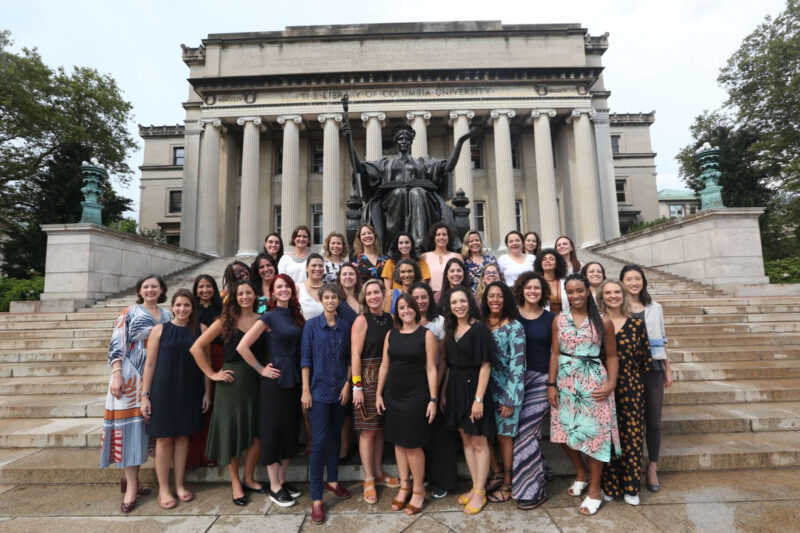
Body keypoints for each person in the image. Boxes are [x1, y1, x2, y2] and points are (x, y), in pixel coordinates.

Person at [342, 122, 475, 255]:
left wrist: (459, 143)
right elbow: (360, 168)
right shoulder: (386, 164)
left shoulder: (422, 163)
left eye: (407, 139)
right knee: (399, 193)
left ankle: (419, 247)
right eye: (400, 139)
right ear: (395, 142)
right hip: (392, 200)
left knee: (417, 192)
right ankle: (395, 246)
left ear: (411, 142)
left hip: (422, 200)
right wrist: (349, 143)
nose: (404, 141)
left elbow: (447, 168)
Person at [548, 274, 620, 516]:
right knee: (562, 432)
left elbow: (611, 355)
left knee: (594, 437)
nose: (575, 295)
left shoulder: (603, 320)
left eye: (579, 290)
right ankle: (581, 472)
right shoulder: (560, 319)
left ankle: (595, 490)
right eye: (570, 291)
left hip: (593, 383)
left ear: (588, 290)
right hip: (566, 382)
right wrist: (551, 384)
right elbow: (555, 353)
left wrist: (611, 383)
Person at [190, 279, 266, 507]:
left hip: (256, 380)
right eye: (240, 293)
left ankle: (249, 477)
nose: (244, 296)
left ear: (255, 295)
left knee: (257, 433)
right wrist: (212, 373)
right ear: (233, 297)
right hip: (231, 383)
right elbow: (196, 347)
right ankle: (235, 482)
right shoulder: (225, 321)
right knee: (231, 433)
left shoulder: (263, 320)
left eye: (248, 292)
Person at [100, 274, 171, 513]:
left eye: (154, 286)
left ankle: (135, 481)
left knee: (146, 430)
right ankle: (131, 487)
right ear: (140, 290)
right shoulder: (129, 312)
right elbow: (116, 342)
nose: (150, 290)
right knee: (129, 431)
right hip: (130, 376)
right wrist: (117, 374)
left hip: (157, 376)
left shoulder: (168, 314)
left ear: (162, 290)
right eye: (146, 287)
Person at [238, 274, 306, 507]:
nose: (284, 290)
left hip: (294, 379)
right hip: (274, 382)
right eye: (279, 287)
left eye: (287, 286)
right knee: (273, 431)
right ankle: (274, 486)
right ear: (273, 293)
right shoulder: (268, 317)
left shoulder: (297, 316)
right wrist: (260, 369)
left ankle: (282, 481)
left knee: (289, 431)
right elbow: (242, 346)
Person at [141, 289, 209, 509]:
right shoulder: (160, 330)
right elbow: (149, 365)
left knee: (182, 438)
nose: (182, 309)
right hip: (163, 390)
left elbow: (206, 364)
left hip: (189, 389)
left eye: (186, 305)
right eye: (178, 305)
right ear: (172, 307)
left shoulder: (201, 329)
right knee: (163, 439)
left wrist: (207, 392)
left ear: (193, 308)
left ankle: (180, 484)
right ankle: (164, 488)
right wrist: (145, 396)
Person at [376, 294, 438, 515]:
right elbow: (384, 366)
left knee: (412, 445)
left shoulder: (427, 335)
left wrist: (433, 398)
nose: (406, 311)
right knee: (398, 444)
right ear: (397, 311)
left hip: (416, 396)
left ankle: (419, 490)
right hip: (393, 395)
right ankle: (405, 486)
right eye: (401, 308)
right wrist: (378, 394)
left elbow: (432, 368)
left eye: (409, 307)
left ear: (416, 309)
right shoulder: (391, 334)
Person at [301, 284, 353, 523]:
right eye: (327, 297)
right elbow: (305, 360)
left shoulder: (346, 327)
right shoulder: (311, 326)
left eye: (334, 297)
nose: (331, 301)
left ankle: (333, 481)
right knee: (320, 441)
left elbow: (351, 358)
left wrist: (347, 385)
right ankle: (317, 500)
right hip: (318, 392)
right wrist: (306, 390)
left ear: (339, 300)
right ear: (321, 300)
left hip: (340, 390)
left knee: (335, 437)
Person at [441, 286, 496, 516]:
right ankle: (475, 487)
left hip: (475, 388)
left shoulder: (479, 329)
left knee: (479, 441)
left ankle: (481, 491)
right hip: (455, 388)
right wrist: (444, 391)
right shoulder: (452, 328)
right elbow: (449, 364)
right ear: (450, 307)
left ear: (469, 303)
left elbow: (486, 365)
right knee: (466, 440)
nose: (459, 306)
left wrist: (479, 399)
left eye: (462, 301)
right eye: (454, 303)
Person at [597, 279, 652, 506]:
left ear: (624, 295)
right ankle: (610, 485)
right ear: (601, 296)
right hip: (602, 386)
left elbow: (644, 359)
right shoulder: (597, 323)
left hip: (630, 385)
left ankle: (631, 487)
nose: (613, 296)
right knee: (607, 436)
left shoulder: (636, 324)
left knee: (631, 436)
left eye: (617, 292)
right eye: (608, 292)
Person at [620, 264, 674, 493]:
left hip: (652, 368)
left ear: (643, 281)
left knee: (653, 420)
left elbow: (662, 338)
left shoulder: (655, 308)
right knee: (628, 421)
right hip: (625, 370)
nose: (634, 282)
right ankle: (628, 467)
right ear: (622, 282)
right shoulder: (617, 306)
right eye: (629, 279)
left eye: (637, 278)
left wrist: (667, 368)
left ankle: (652, 466)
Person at [351, 279, 400, 504]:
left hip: (387, 376)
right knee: (367, 430)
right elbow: (354, 355)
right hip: (367, 376)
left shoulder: (390, 319)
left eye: (376, 292)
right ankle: (368, 477)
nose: (373, 296)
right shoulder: (362, 320)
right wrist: (357, 386)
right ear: (365, 297)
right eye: (369, 293)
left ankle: (379, 472)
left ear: (383, 294)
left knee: (380, 428)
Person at [512, 272, 555, 509]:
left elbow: (555, 353)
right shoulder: (512, 316)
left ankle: (531, 490)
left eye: (537, 288)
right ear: (521, 289)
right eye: (528, 287)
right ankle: (541, 471)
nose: (532, 291)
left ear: (543, 292)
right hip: (516, 383)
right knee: (529, 433)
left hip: (541, 380)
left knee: (524, 432)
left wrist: (551, 384)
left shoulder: (551, 319)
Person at [481, 282, 526, 504]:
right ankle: (496, 473)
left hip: (506, 391)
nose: (495, 300)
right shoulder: (481, 324)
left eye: (499, 296)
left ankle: (508, 483)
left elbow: (518, 365)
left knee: (505, 438)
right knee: (485, 435)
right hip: (483, 390)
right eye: (491, 296)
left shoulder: (515, 326)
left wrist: (510, 399)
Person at [410, 282, 455, 499]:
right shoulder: (405, 321)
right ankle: (424, 475)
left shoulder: (439, 322)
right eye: (416, 298)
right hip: (412, 386)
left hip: (434, 383)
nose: (420, 302)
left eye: (424, 297)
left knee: (439, 436)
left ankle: (442, 480)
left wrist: (436, 390)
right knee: (419, 433)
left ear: (431, 298)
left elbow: (443, 359)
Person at [188, 274, 224, 468]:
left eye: (208, 286)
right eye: (201, 287)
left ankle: (209, 454)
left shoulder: (222, 309)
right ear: (196, 290)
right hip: (195, 358)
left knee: (212, 408)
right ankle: (193, 456)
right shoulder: (190, 310)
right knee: (196, 406)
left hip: (218, 358)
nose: (205, 290)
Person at [421, 222, 461, 302]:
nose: (441, 237)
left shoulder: (457, 256)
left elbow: (461, 279)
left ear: (448, 238)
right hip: (431, 298)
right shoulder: (424, 257)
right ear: (434, 238)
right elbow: (422, 282)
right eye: (438, 235)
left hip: (452, 296)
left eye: (444, 234)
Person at [534, 249, 569, 314]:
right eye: (544, 259)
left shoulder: (565, 282)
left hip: (565, 320)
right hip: (543, 319)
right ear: (540, 263)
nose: (547, 261)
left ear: (557, 263)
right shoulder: (535, 283)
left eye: (551, 259)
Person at [297, 253, 325, 319]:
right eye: (314, 265)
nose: (317, 268)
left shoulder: (329, 289)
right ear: (306, 268)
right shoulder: (298, 289)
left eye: (320, 266)